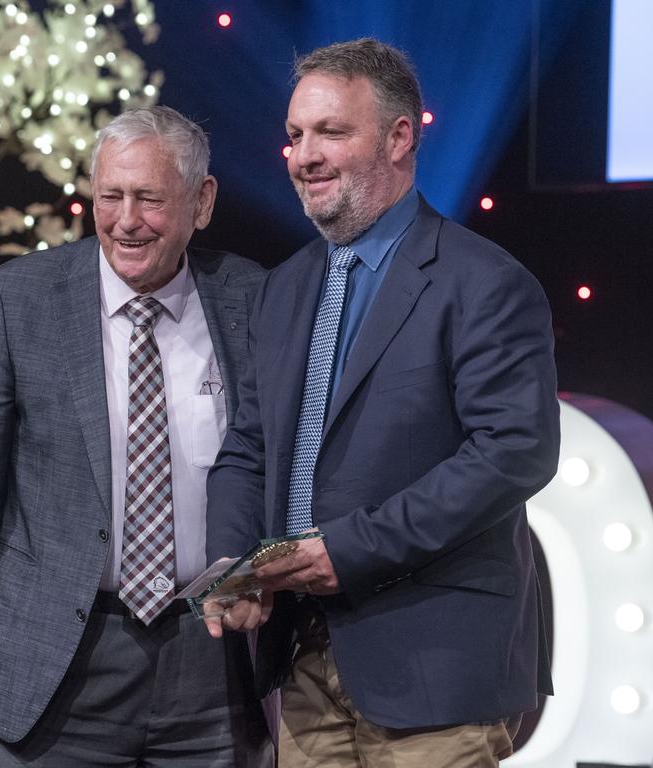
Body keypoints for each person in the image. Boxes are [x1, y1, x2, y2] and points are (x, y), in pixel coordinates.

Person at [204, 38, 560, 767]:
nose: (304, 155)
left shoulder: (485, 282)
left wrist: (352, 550)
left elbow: (514, 451)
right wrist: (232, 565)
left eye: (332, 132)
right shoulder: (282, 288)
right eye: (296, 135)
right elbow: (248, 447)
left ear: (401, 137)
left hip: (436, 662)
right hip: (302, 655)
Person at [0, 105, 273, 767]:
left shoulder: (254, 299)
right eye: (110, 196)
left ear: (202, 201)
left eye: (150, 199)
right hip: (59, 667)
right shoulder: (20, 301)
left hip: (213, 662)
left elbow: (281, 469)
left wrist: (259, 570)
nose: (126, 220)